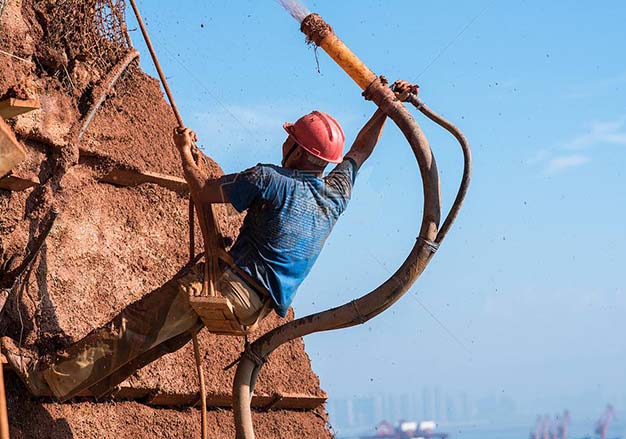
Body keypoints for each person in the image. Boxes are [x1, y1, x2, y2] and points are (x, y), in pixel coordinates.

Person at [1, 80, 418, 401]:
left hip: (226, 287)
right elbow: (360, 151)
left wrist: (185, 152)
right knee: (154, 343)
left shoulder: (268, 179)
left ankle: (43, 379)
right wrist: (386, 108)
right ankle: (85, 386)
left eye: (290, 139)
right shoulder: (335, 193)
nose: (284, 142)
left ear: (295, 148)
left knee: (132, 327)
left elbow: (201, 190)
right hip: (254, 310)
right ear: (323, 162)